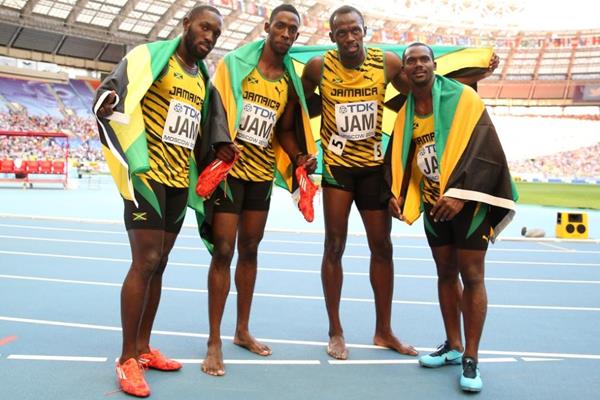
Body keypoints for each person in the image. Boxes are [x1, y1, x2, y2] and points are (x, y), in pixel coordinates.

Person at [297, 5, 498, 360]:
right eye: (341, 32)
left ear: (364, 31)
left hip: (375, 169)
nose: (348, 38)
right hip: (339, 170)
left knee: (383, 248)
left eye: (354, 30)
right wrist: (307, 145)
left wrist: (474, 72)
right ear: (331, 37)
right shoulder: (318, 67)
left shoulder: (387, 63)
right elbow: (300, 104)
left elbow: (427, 86)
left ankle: (383, 330)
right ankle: (336, 331)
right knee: (334, 246)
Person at [94, 5, 227, 397]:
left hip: (177, 183)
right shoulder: (151, 58)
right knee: (146, 261)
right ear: (186, 24)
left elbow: (205, 132)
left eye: (216, 34)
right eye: (205, 28)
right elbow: (116, 89)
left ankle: (143, 348)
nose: (210, 37)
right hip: (147, 178)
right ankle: (126, 360)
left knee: (161, 264)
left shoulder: (203, 80)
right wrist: (108, 99)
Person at [385, 42, 517, 392]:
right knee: (445, 273)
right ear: (405, 72)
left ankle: (471, 357)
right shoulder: (406, 113)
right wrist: (396, 194)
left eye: (423, 59)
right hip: (433, 205)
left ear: (433, 65)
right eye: (410, 61)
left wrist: (459, 194)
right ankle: (453, 344)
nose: (417, 65)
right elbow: (401, 159)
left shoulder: (464, 100)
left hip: (469, 205)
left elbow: (486, 152)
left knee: (472, 276)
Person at [200, 3, 317, 376]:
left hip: (261, 176)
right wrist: (219, 144)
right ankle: (214, 340)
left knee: (250, 250)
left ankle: (242, 331)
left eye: (292, 31)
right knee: (224, 251)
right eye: (280, 27)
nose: (285, 34)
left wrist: (299, 155)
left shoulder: (288, 81)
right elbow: (213, 110)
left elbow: (283, 129)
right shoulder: (236, 65)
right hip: (230, 173)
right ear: (267, 27)